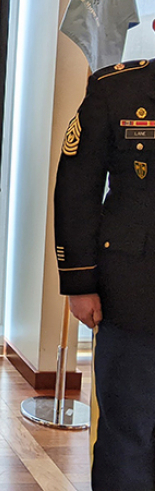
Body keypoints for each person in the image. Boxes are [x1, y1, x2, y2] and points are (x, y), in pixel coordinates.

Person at [54, 58, 155, 489]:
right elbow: (77, 187)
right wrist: (79, 281)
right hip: (134, 294)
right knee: (126, 432)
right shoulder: (116, 89)